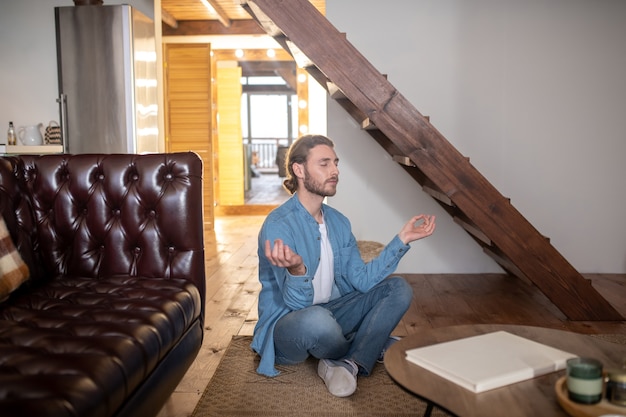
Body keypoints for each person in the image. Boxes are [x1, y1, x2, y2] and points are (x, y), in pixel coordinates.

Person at [251, 134, 436, 397]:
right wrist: (297, 270)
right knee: (316, 319)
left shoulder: (339, 222)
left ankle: (349, 362)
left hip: (334, 313)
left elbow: (360, 281)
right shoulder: (279, 225)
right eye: (324, 164)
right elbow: (297, 305)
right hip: (291, 325)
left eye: (336, 163)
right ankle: (371, 344)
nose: (335, 170)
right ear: (299, 169)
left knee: (398, 287)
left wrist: (401, 240)